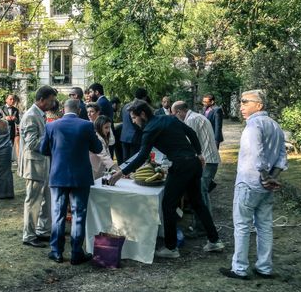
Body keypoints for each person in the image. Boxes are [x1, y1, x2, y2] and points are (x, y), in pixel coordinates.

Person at [108, 100, 225, 258]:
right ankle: (214, 240)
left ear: (143, 114)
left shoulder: (149, 129)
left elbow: (142, 155)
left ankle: (171, 248)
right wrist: (198, 153)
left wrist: (120, 172)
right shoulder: (169, 118)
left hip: (180, 166)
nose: (134, 122)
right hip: (193, 163)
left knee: (168, 205)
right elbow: (191, 133)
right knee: (198, 203)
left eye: (134, 118)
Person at [220, 90, 287, 280]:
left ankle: (239, 269)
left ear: (259, 105)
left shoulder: (253, 125)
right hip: (266, 186)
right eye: (240, 102)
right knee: (264, 226)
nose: (240, 106)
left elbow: (257, 155)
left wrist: (266, 176)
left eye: (245, 102)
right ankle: (264, 267)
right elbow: (282, 157)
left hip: (249, 183)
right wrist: (272, 177)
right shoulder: (275, 125)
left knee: (242, 225)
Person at [40, 99, 102, 264]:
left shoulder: (51, 126)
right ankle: (76, 253)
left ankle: (57, 252)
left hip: (58, 175)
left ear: (63, 109)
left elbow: (43, 149)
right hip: (80, 176)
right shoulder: (86, 125)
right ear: (79, 110)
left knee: (58, 215)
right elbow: (98, 148)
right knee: (78, 215)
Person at [171, 100, 220, 234]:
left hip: (207, 160)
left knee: (200, 193)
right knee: (202, 192)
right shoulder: (196, 117)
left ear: (180, 112)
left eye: (174, 114)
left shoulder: (191, 120)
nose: (174, 118)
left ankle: (202, 226)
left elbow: (187, 144)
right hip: (209, 159)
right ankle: (204, 224)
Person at [19, 85, 58, 248]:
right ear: (41, 100)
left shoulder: (39, 114)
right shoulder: (31, 116)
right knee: (33, 201)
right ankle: (29, 235)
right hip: (33, 165)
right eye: (51, 100)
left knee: (44, 200)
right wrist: (51, 136)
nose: (53, 103)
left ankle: (42, 230)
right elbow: (32, 143)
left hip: (42, 163)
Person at [120, 87, 149, 160]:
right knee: (134, 160)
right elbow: (138, 123)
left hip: (124, 136)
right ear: (144, 97)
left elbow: (122, 119)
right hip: (135, 137)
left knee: (126, 161)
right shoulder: (138, 106)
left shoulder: (125, 106)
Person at [90, 115, 119, 179]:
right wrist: (117, 169)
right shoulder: (96, 138)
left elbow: (107, 153)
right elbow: (104, 155)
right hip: (94, 170)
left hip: (99, 169)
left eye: (109, 127)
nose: (108, 130)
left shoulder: (102, 136)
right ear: (99, 127)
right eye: (106, 127)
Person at [1, 94, 20, 158]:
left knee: (10, 148)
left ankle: (9, 161)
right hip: (3, 131)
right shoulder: (1, 108)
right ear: (6, 100)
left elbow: (18, 122)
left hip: (12, 131)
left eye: (13, 99)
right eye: (10, 99)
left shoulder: (16, 110)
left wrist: (16, 119)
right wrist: (4, 118)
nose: (12, 101)